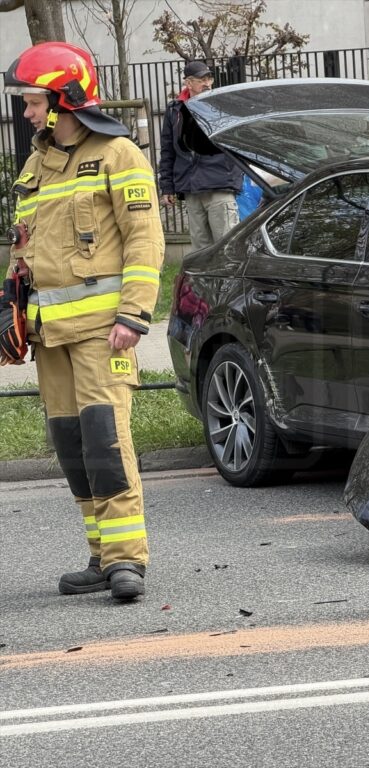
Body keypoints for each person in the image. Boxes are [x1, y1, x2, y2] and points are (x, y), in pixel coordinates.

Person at [4, 42, 165, 600]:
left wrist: (135, 314)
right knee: (71, 444)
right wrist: (11, 308)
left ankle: (127, 561)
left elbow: (146, 241)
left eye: (31, 102)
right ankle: (100, 555)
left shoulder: (119, 154)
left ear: (61, 99)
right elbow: (22, 249)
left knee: (105, 439)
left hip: (104, 330)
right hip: (51, 335)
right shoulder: (37, 163)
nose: (25, 113)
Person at [159, 60, 242, 250]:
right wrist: (167, 187)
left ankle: (226, 281)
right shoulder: (175, 110)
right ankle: (203, 282)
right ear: (188, 83)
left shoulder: (222, 105)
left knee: (226, 247)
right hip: (191, 188)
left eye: (209, 78)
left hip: (219, 184)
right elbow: (167, 150)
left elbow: (236, 142)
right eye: (201, 79)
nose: (207, 83)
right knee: (200, 250)